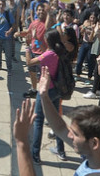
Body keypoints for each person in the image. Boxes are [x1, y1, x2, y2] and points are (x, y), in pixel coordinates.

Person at [32, 67, 100, 176]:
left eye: (75, 134)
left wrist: (22, 144)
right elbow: (60, 128)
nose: (69, 135)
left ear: (94, 143)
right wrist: (44, 96)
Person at [25, 29, 66, 163]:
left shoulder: (48, 55)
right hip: (56, 90)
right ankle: (61, 151)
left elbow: (29, 62)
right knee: (56, 121)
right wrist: (36, 38)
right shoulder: (58, 52)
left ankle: (35, 154)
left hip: (45, 91)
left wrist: (27, 48)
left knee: (38, 122)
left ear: (49, 41)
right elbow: (44, 51)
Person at [0, 0, 15, 72]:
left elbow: (13, 25)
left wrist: (9, 31)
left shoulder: (8, 14)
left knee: (8, 55)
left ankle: (9, 68)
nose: (1, 6)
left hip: (7, 38)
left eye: (3, 5)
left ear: (5, 6)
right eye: (0, 4)